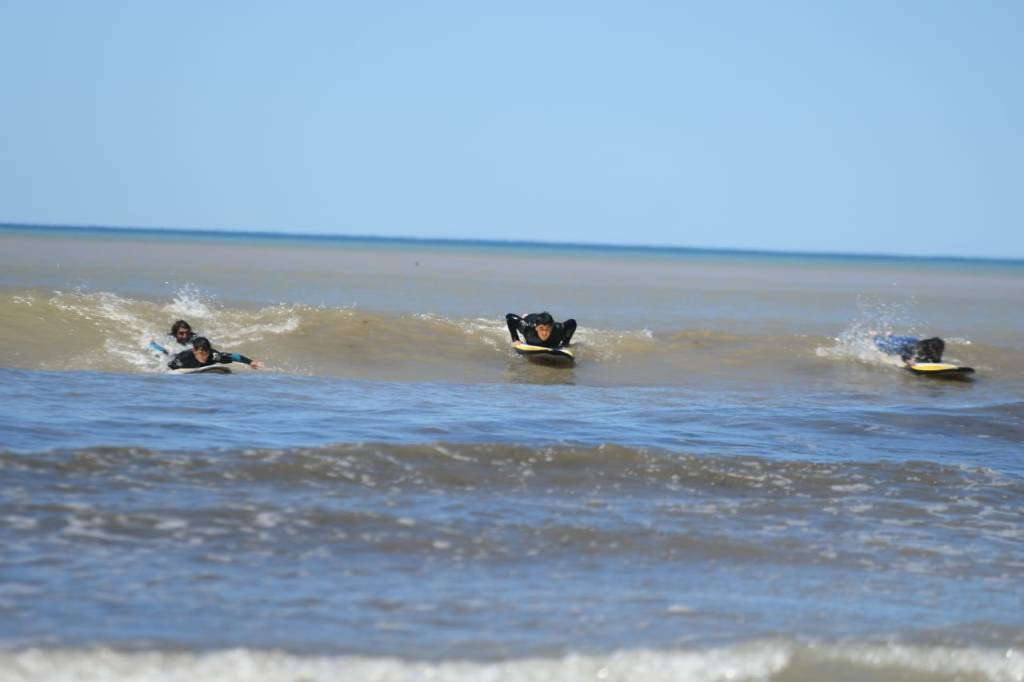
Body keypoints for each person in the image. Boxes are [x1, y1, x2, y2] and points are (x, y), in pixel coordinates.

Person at [168, 336, 265, 370]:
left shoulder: (214, 356)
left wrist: (251, 362)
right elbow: (170, 366)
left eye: (206, 352)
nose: (204, 356)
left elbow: (234, 356)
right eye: (201, 352)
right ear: (194, 350)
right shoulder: (184, 358)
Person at [506, 311, 576, 349]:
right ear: (536, 328)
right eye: (541, 329)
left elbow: (572, 323)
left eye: (547, 329)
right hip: (531, 318)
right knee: (525, 319)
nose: (544, 333)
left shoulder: (558, 329)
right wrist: (515, 339)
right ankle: (525, 315)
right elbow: (510, 317)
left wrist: (565, 343)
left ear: (551, 328)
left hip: (546, 322)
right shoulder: (527, 328)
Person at [873, 332, 945, 364]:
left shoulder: (934, 351)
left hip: (912, 340)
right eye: (939, 349)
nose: (941, 351)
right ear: (932, 348)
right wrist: (908, 360)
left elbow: (936, 360)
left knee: (896, 339)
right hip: (904, 344)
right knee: (884, 347)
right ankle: (876, 335)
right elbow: (903, 351)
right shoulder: (920, 349)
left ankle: (891, 336)